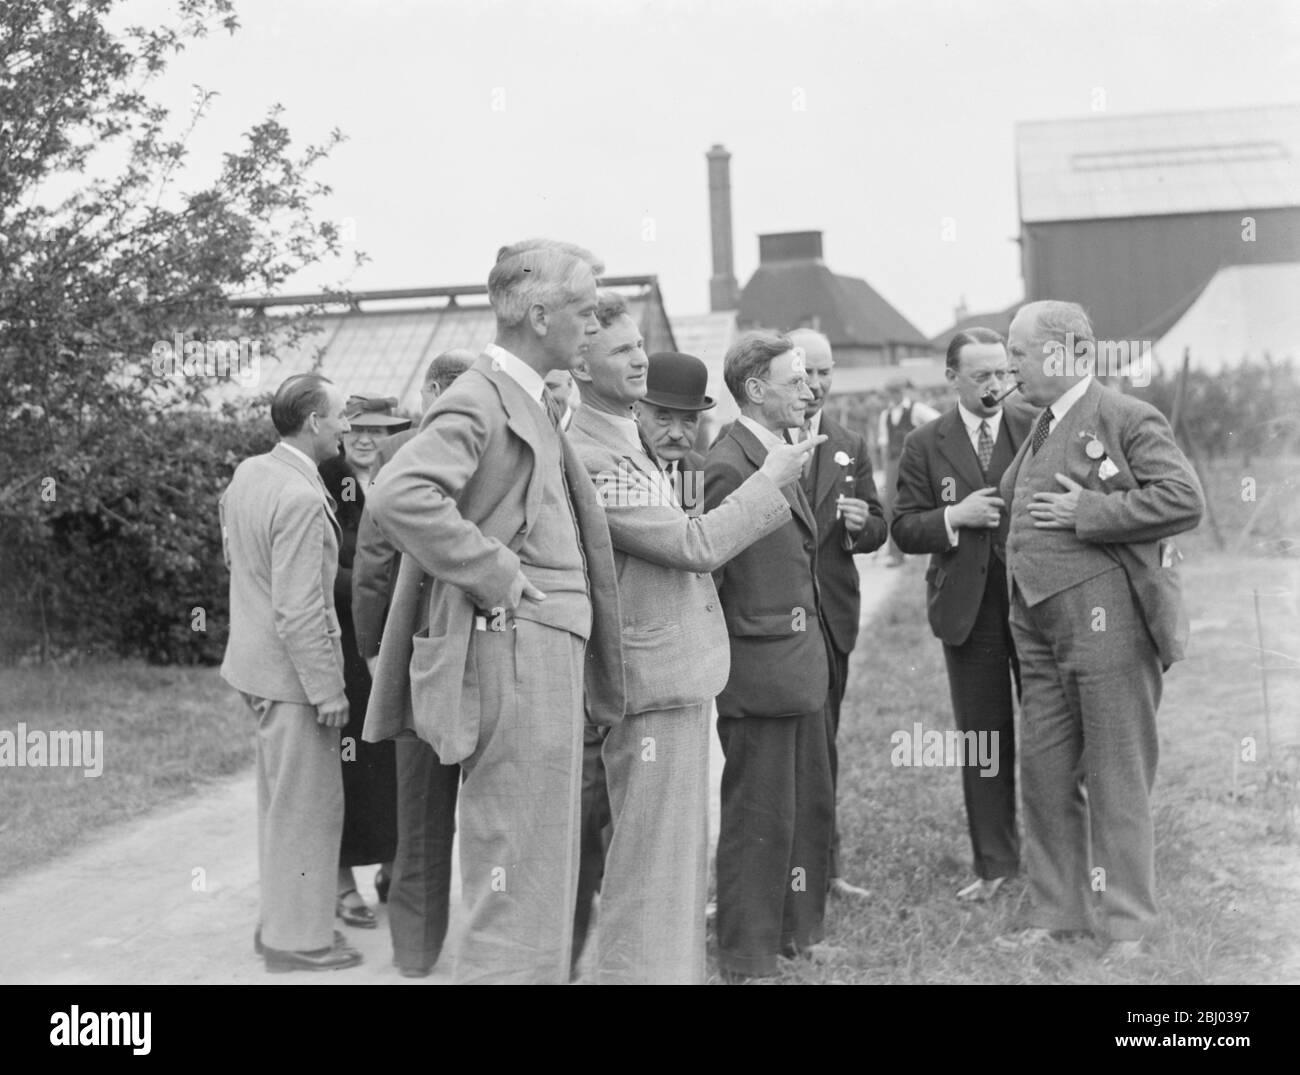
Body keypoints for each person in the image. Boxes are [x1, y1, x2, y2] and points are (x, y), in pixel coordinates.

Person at [362, 238, 625, 984]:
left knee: (537, 873)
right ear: (539, 314)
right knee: (513, 877)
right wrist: (495, 572)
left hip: (539, 664)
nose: (592, 325)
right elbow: (399, 494)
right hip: (511, 661)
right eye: (582, 310)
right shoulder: (480, 395)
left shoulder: (528, 396)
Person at [568, 301, 817, 984]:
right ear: (580, 362)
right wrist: (771, 481)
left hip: (671, 675)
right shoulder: (596, 452)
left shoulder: (621, 441)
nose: (640, 358)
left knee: (672, 860)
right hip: (649, 678)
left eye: (640, 344)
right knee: (651, 862)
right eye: (622, 351)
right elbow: (694, 544)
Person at [995, 300, 1203, 960]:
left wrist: (1089, 509)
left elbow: (1182, 499)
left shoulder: (1126, 416)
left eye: (1020, 353)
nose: (1010, 366)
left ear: (1064, 352)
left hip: (1105, 623)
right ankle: (1060, 913)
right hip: (1037, 624)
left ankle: (1128, 926)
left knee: (1117, 773)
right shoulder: (1039, 422)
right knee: (1045, 772)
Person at [705, 330, 839, 979]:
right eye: (796, 381)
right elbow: (712, 575)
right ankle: (746, 953)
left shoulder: (778, 453)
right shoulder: (729, 463)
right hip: (758, 672)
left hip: (798, 666)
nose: (810, 390)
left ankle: (796, 933)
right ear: (756, 389)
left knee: (799, 806)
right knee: (757, 813)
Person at [219, 373, 361, 972]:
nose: (347, 428)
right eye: (340, 417)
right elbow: (299, 607)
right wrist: (327, 689)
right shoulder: (302, 498)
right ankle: (299, 941)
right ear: (313, 424)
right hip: (296, 682)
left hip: (257, 672)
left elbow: (237, 562)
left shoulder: (251, 474)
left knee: (281, 807)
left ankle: (278, 924)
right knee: (308, 812)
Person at [891, 328, 1034, 901]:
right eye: (982, 377)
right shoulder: (924, 443)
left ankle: (1062, 860)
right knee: (984, 739)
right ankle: (997, 864)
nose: (996, 386)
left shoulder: (1035, 426)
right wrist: (956, 515)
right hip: (967, 613)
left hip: (1034, 605)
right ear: (951, 378)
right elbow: (903, 526)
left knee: (1051, 734)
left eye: (1003, 373)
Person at [351, 350, 473, 978]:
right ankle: (483, 949)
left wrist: (376, 652)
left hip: (421, 654)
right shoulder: (492, 446)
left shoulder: (400, 458)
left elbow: (373, 566)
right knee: (484, 812)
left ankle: (417, 954)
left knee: (421, 814)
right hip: (480, 653)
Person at [787, 328, 888, 899]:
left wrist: (861, 526)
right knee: (783, 751)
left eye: (826, 373)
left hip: (832, 618)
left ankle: (827, 869)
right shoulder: (758, 439)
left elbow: (879, 524)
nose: (817, 385)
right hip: (779, 622)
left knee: (824, 746)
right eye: (805, 374)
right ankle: (783, 869)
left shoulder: (847, 441)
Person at [319, 396, 409, 932]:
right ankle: (342, 883)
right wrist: (378, 592)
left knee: (398, 761)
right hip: (347, 647)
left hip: (397, 646)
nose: (365, 439)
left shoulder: (405, 477)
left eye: (379, 430)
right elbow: (323, 567)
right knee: (349, 767)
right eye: (356, 429)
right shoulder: (325, 486)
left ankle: (395, 871)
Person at [635, 352, 710, 513]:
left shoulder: (705, 473)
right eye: (663, 418)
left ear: (700, 420)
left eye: (689, 420)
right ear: (637, 412)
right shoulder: (619, 470)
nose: (676, 434)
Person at [878, 377, 940, 566]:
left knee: (918, 502)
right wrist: (884, 473)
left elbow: (939, 422)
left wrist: (925, 449)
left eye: (894, 393)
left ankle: (921, 546)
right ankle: (895, 553)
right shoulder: (885, 414)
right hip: (892, 464)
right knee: (891, 506)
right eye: (889, 394)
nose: (892, 397)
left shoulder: (916, 409)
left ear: (900, 392)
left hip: (913, 463)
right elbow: (884, 445)